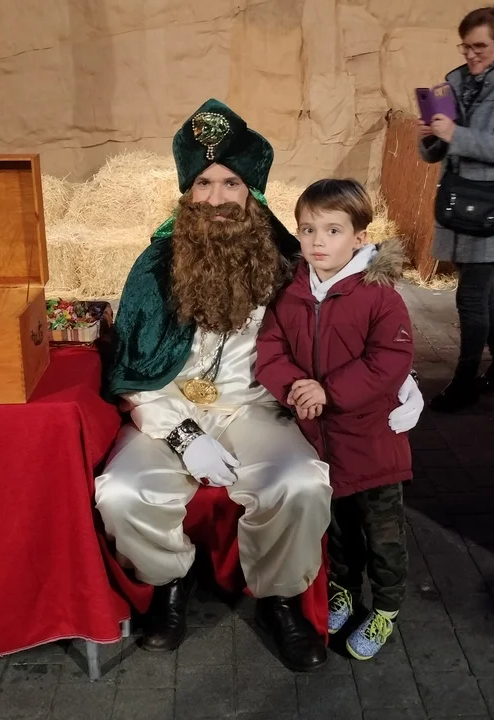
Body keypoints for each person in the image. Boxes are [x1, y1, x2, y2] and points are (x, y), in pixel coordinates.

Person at [95, 100, 424, 672]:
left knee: (300, 483)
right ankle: (169, 585)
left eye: (232, 183)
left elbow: (346, 315)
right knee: (120, 494)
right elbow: (133, 370)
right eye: (204, 183)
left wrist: (402, 378)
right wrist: (183, 437)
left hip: (257, 407)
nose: (218, 198)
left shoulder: (287, 259)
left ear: (252, 192)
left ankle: (281, 598)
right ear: (186, 192)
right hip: (168, 410)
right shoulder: (153, 267)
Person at [256, 179, 414, 660]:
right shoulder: (291, 293)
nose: (317, 241)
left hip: (371, 444)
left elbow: (389, 360)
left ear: (359, 237)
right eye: (308, 230)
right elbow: (270, 350)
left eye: (332, 230)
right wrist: (293, 388)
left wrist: (329, 391)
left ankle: (386, 606)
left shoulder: (379, 296)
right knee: (338, 528)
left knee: (383, 533)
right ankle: (344, 588)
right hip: (320, 443)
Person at [418, 6, 494, 412]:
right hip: (458, 202)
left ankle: (464, 383)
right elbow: (436, 152)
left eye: (479, 46)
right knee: (487, 297)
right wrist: (431, 135)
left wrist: (455, 133)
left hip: (489, 207)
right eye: (465, 46)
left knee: (471, 297)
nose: (470, 54)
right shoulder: (455, 83)